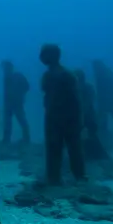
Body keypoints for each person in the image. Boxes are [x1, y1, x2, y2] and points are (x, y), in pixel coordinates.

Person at [41, 44, 86, 184]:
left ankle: (79, 177)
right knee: (54, 149)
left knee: (73, 148)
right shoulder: (48, 75)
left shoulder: (66, 75)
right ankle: (54, 178)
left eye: (44, 54)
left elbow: (76, 99)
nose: (41, 57)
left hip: (67, 119)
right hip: (53, 118)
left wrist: (78, 120)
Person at [0, 60, 31, 144]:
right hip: (9, 103)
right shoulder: (7, 78)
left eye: (6, 68)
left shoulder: (17, 76)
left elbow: (27, 87)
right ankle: (7, 139)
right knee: (8, 121)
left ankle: (26, 138)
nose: (5, 70)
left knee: (20, 119)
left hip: (16, 103)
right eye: (4, 68)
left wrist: (19, 94)